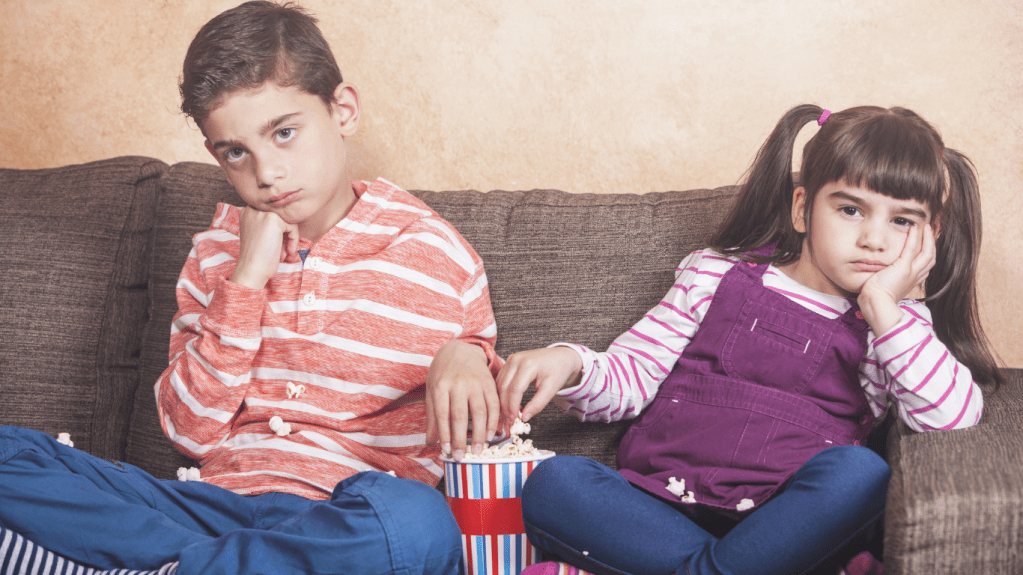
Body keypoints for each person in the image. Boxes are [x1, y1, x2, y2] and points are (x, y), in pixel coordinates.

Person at [0, 2, 502, 574]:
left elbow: (486, 433)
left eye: (284, 133)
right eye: (237, 152)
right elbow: (190, 432)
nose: (265, 174)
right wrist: (245, 280)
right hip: (207, 509)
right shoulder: (215, 252)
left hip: (345, 517)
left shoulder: (435, 250)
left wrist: (470, 356)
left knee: (417, 524)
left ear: (342, 110)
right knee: (8, 454)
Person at [497, 104, 1003, 575]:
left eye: (902, 221)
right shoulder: (713, 273)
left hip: (781, 529)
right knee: (556, 483)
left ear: (929, 238)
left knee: (861, 473)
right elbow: (632, 376)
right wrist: (570, 363)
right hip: (656, 510)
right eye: (851, 210)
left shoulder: (895, 326)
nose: (874, 239)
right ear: (802, 208)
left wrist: (883, 307)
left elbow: (950, 418)